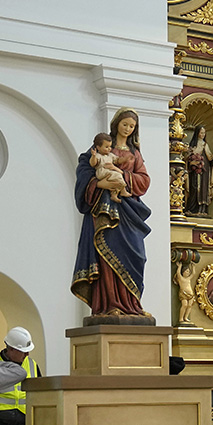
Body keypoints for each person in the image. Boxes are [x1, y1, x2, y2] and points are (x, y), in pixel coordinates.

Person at [71, 108, 152, 317]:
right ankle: (110, 304)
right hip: (104, 210)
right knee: (107, 254)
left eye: (131, 126)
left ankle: (132, 305)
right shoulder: (101, 148)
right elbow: (85, 169)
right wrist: (100, 183)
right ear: (116, 124)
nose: (127, 129)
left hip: (127, 211)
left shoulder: (135, 153)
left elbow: (144, 180)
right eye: (124, 124)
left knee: (137, 256)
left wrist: (123, 176)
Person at [185, 125, 213, 217]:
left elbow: (210, 158)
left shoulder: (205, 145)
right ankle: (191, 209)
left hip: (204, 173)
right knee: (194, 189)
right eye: (201, 132)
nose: (203, 134)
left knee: (203, 190)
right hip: (193, 173)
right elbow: (187, 159)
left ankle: (202, 210)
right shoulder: (192, 146)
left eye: (204, 133)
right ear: (197, 133)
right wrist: (192, 163)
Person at [89, 132, 130, 203]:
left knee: (115, 181)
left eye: (110, 146)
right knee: (118, 175)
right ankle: (123, 190)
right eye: (106, 147)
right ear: (98, 147)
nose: (109, 149)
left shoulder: (110, 155)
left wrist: (125, 159)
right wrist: (93, 156)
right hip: (102, 172)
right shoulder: (98, 156)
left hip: (109, 172)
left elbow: (117, 160)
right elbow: (93, 164)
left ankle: (114, 195)